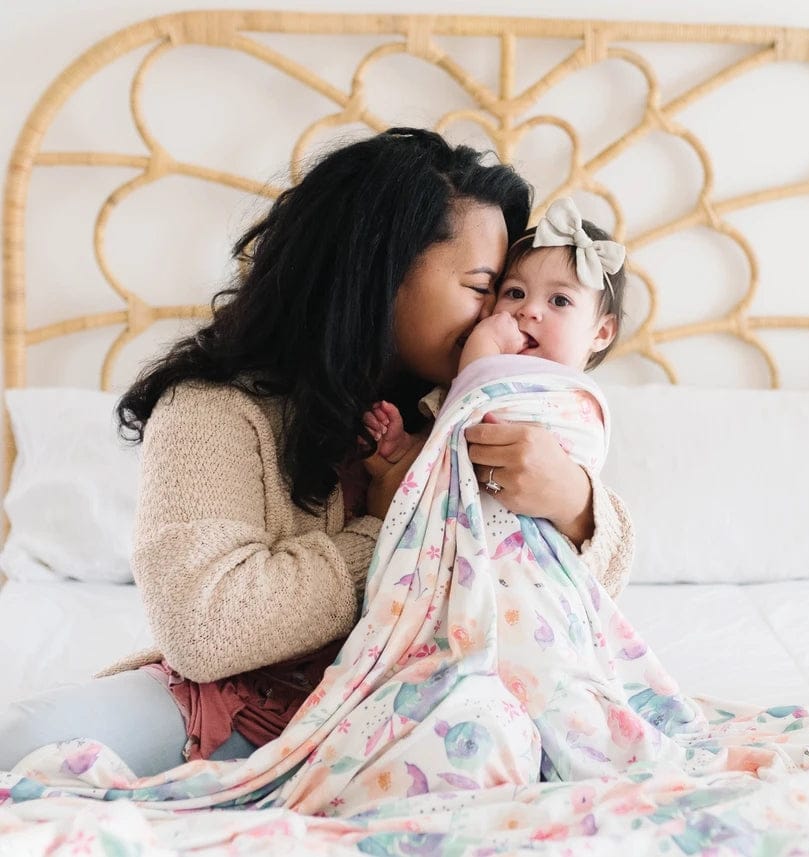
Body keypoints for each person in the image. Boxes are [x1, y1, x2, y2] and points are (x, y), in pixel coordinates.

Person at [0, 129, 635, 777]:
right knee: (28, 745)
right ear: (382, 273)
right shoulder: (215, 409)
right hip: (240, 707)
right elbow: (203, 628)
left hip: (423, 704)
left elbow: (556, 606)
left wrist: (575, 505)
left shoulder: (463, 410)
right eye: (487, 288)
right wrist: (388, 526)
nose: (504, 319)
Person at [364, 196, 626, 475]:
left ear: (601, 332)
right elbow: (450, 448)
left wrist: (485, 344)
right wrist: (406, 448)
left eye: (560, 300)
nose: (528, 310)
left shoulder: (570, 405)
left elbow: (475, 407)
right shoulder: (463, 379)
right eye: (515, 293)